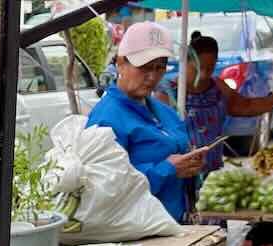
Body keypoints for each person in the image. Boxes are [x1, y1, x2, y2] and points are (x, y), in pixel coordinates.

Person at [86, 21, 208, 223]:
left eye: (160, 67)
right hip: (136, 234)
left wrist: (190, 164)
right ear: (120, 62)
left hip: (173, 224)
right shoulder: (106, 118)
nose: (152, 76)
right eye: (144, 67)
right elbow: (104, 187)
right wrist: (167, 169)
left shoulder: (163, 111)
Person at [162, 33, 273, 179]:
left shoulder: (217, 87)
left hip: (212, 172)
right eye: (199, 68)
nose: (204, 75)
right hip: (180, 175)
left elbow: (247, 106)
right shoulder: (168, 93)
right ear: (185, 62)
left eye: (209, 68)